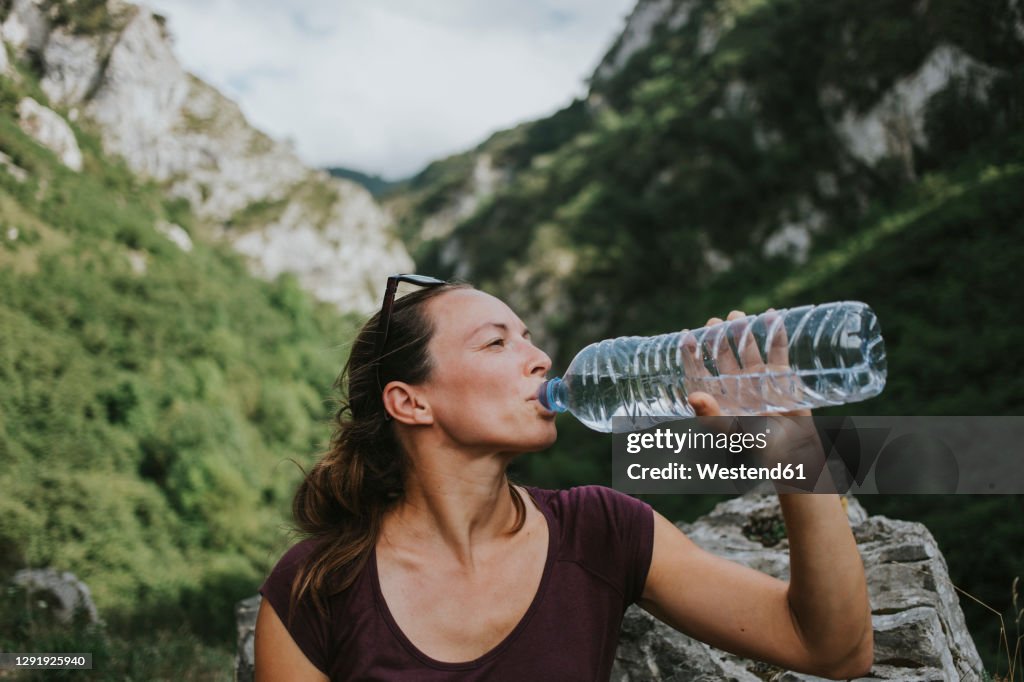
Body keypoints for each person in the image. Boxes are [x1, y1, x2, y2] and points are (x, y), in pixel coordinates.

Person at [254, 275, 874, 681]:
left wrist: (794, 441)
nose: (541, 358)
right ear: (411, 403)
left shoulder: (600, 530)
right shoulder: (316, 589)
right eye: (496, 343)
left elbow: (832, 648)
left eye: (528, 337)